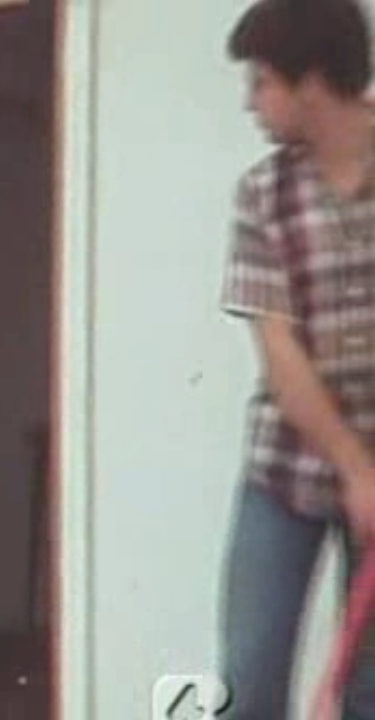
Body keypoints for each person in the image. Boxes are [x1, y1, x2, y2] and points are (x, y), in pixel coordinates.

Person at [217, 1, 375, 717]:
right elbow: (280, 354)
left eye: (261, 81)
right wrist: (355, 467)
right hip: (285, 471)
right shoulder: (262, 196)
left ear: (310, 81)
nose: (250, 102)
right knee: (248, 680)